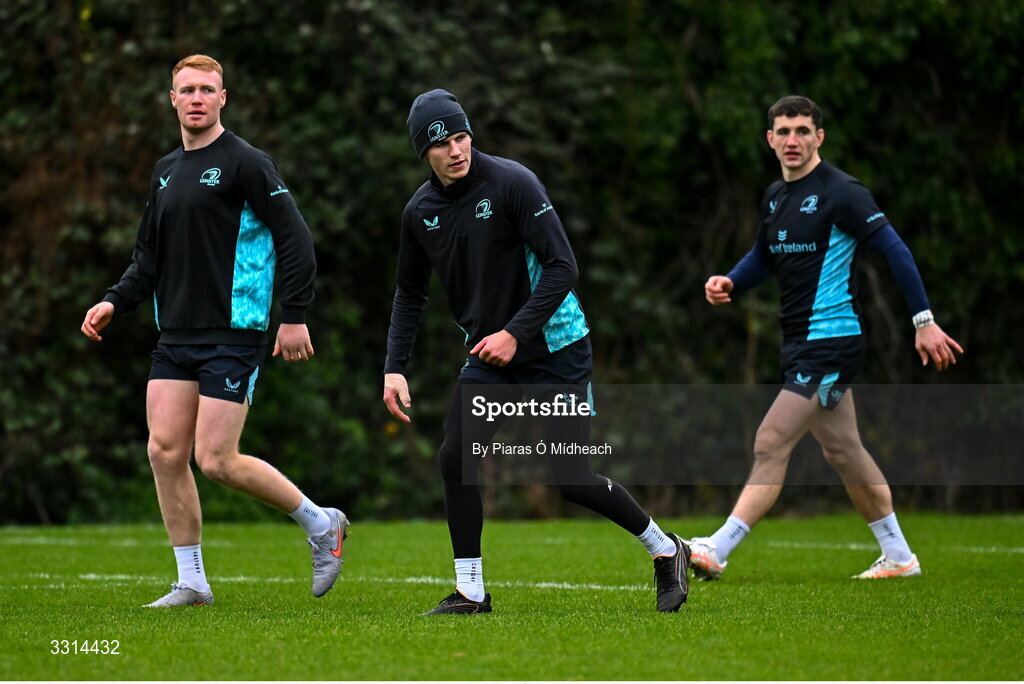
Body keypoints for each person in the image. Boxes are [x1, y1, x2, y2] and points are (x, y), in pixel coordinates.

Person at [383, 89, 690, 614]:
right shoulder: (420, 212)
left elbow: (562, 266)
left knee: (570, 478)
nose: (456, 150)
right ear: (423, 153)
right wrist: (394, 367)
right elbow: (411, 293)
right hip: (489, 355)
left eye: (461, 137)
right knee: (457, 457)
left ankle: (667, 551)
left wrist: (516, 333)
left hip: (554, 346)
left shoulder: (513, 183)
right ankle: (470, 592)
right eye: (442, 144)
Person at [80, 55, 349, 607]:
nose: (197, 97)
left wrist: (293, 315)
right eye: (187, 89)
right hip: (175, 335)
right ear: (172, 99)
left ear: (223, 98)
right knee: (163, 451)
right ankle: (192, 581)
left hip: (234, 332)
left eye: (207, 89)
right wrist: (114, 301)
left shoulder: (247, 163)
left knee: (217, 459)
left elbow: (295, 239)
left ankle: (321, 523)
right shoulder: (165, 170)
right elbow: (147, 259)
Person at [690, 95, 963, 581]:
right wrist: (731, 280)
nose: (792, 140)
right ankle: (899, 557)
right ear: (770, 139)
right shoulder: (776, 196)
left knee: (771, 440)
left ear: (819, 137)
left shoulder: (843, 193)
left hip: (832, 340)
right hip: (799, 341)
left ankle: (718, 547)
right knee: (843, 451)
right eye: (783, 131)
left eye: (802, 130)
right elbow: (763, 255)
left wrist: (924, 322)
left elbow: (895, 250)